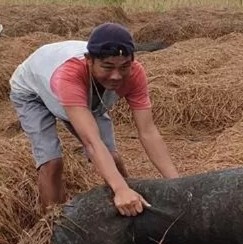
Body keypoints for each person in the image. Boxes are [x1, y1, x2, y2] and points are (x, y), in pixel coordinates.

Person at [8, 22, 177, 216]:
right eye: (107, 67)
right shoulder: (70, 74)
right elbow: (92, 142)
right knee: (52, 162)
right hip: (33, 93)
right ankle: (53, 225)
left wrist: (177, 184)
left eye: (124, 67)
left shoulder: (135, 74)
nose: (116, 75)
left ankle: (132, 209)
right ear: (89, 60)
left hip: (84, 94)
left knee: (112, 158)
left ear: (132, 60)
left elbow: (148, 132)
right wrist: (120, 189)